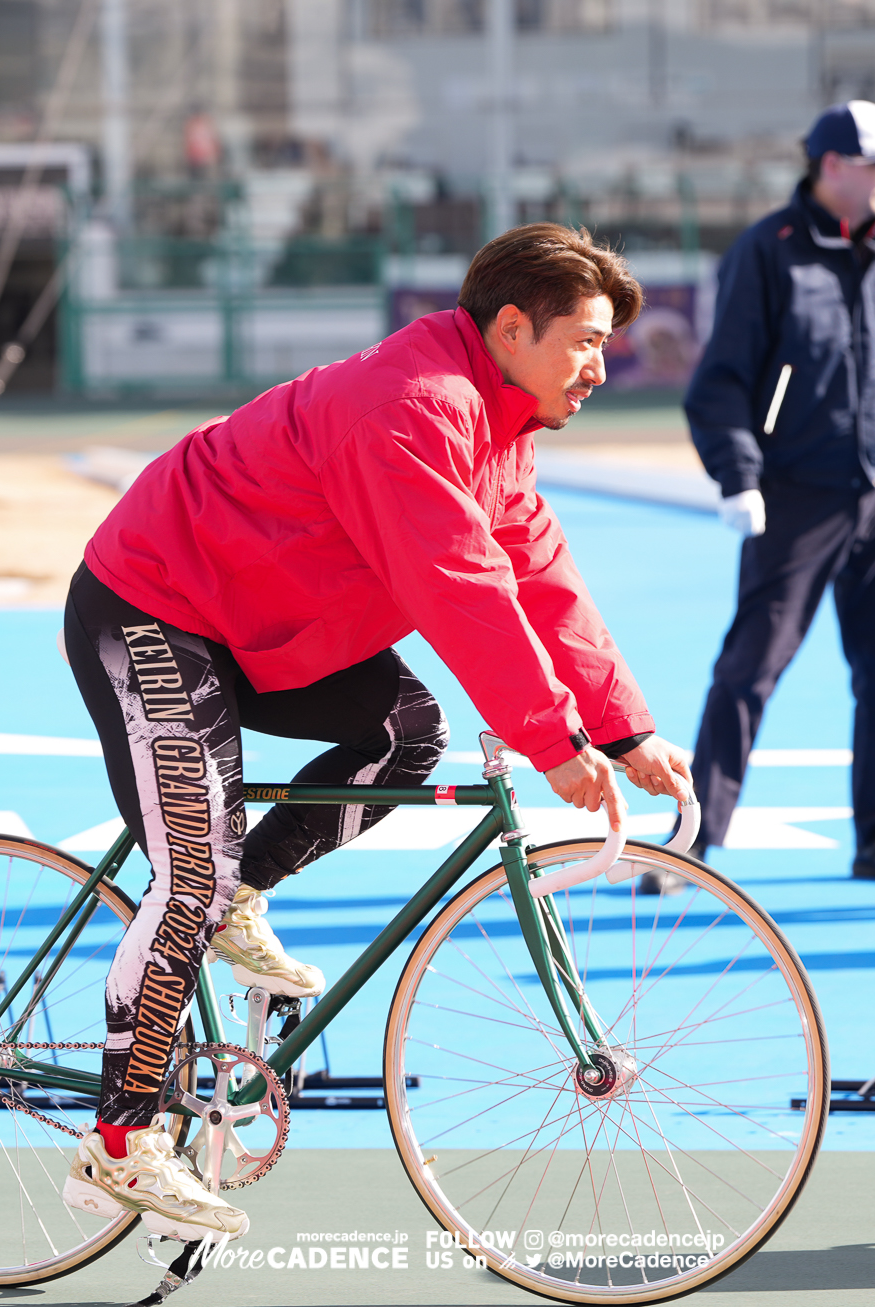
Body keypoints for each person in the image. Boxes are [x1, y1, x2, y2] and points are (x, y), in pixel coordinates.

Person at [57, 223, 695, 1240]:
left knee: (406, 733)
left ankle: (236, 896)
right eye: (586, 340)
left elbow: (535, 566)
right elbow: (461, 587)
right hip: (156, 608)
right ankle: (121, 1144)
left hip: (260, 621)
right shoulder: (414, 408)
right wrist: (552, 741)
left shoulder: (501, 415)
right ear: (514, 326)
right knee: (186, 873)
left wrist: (624, 730)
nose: (600, 366)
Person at [682, 101, 875, 883]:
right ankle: (696, 836)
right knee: (750, 666)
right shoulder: (769, 253)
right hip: (795, 490)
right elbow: (719, 380)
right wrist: (737, 476)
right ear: (832, 167)